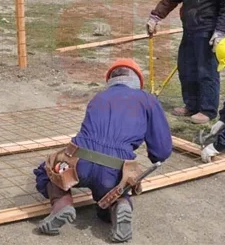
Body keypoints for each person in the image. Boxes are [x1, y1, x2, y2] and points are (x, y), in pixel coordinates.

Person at [33, 58, 172, 243]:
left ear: (111, 80)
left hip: (79, 159)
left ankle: (62, 202)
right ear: (137, 81)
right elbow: (161, 151)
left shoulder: (99, 97)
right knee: (111, 194)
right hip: (114, 167)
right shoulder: (147, 100)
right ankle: (119, 204)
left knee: (47, 170)